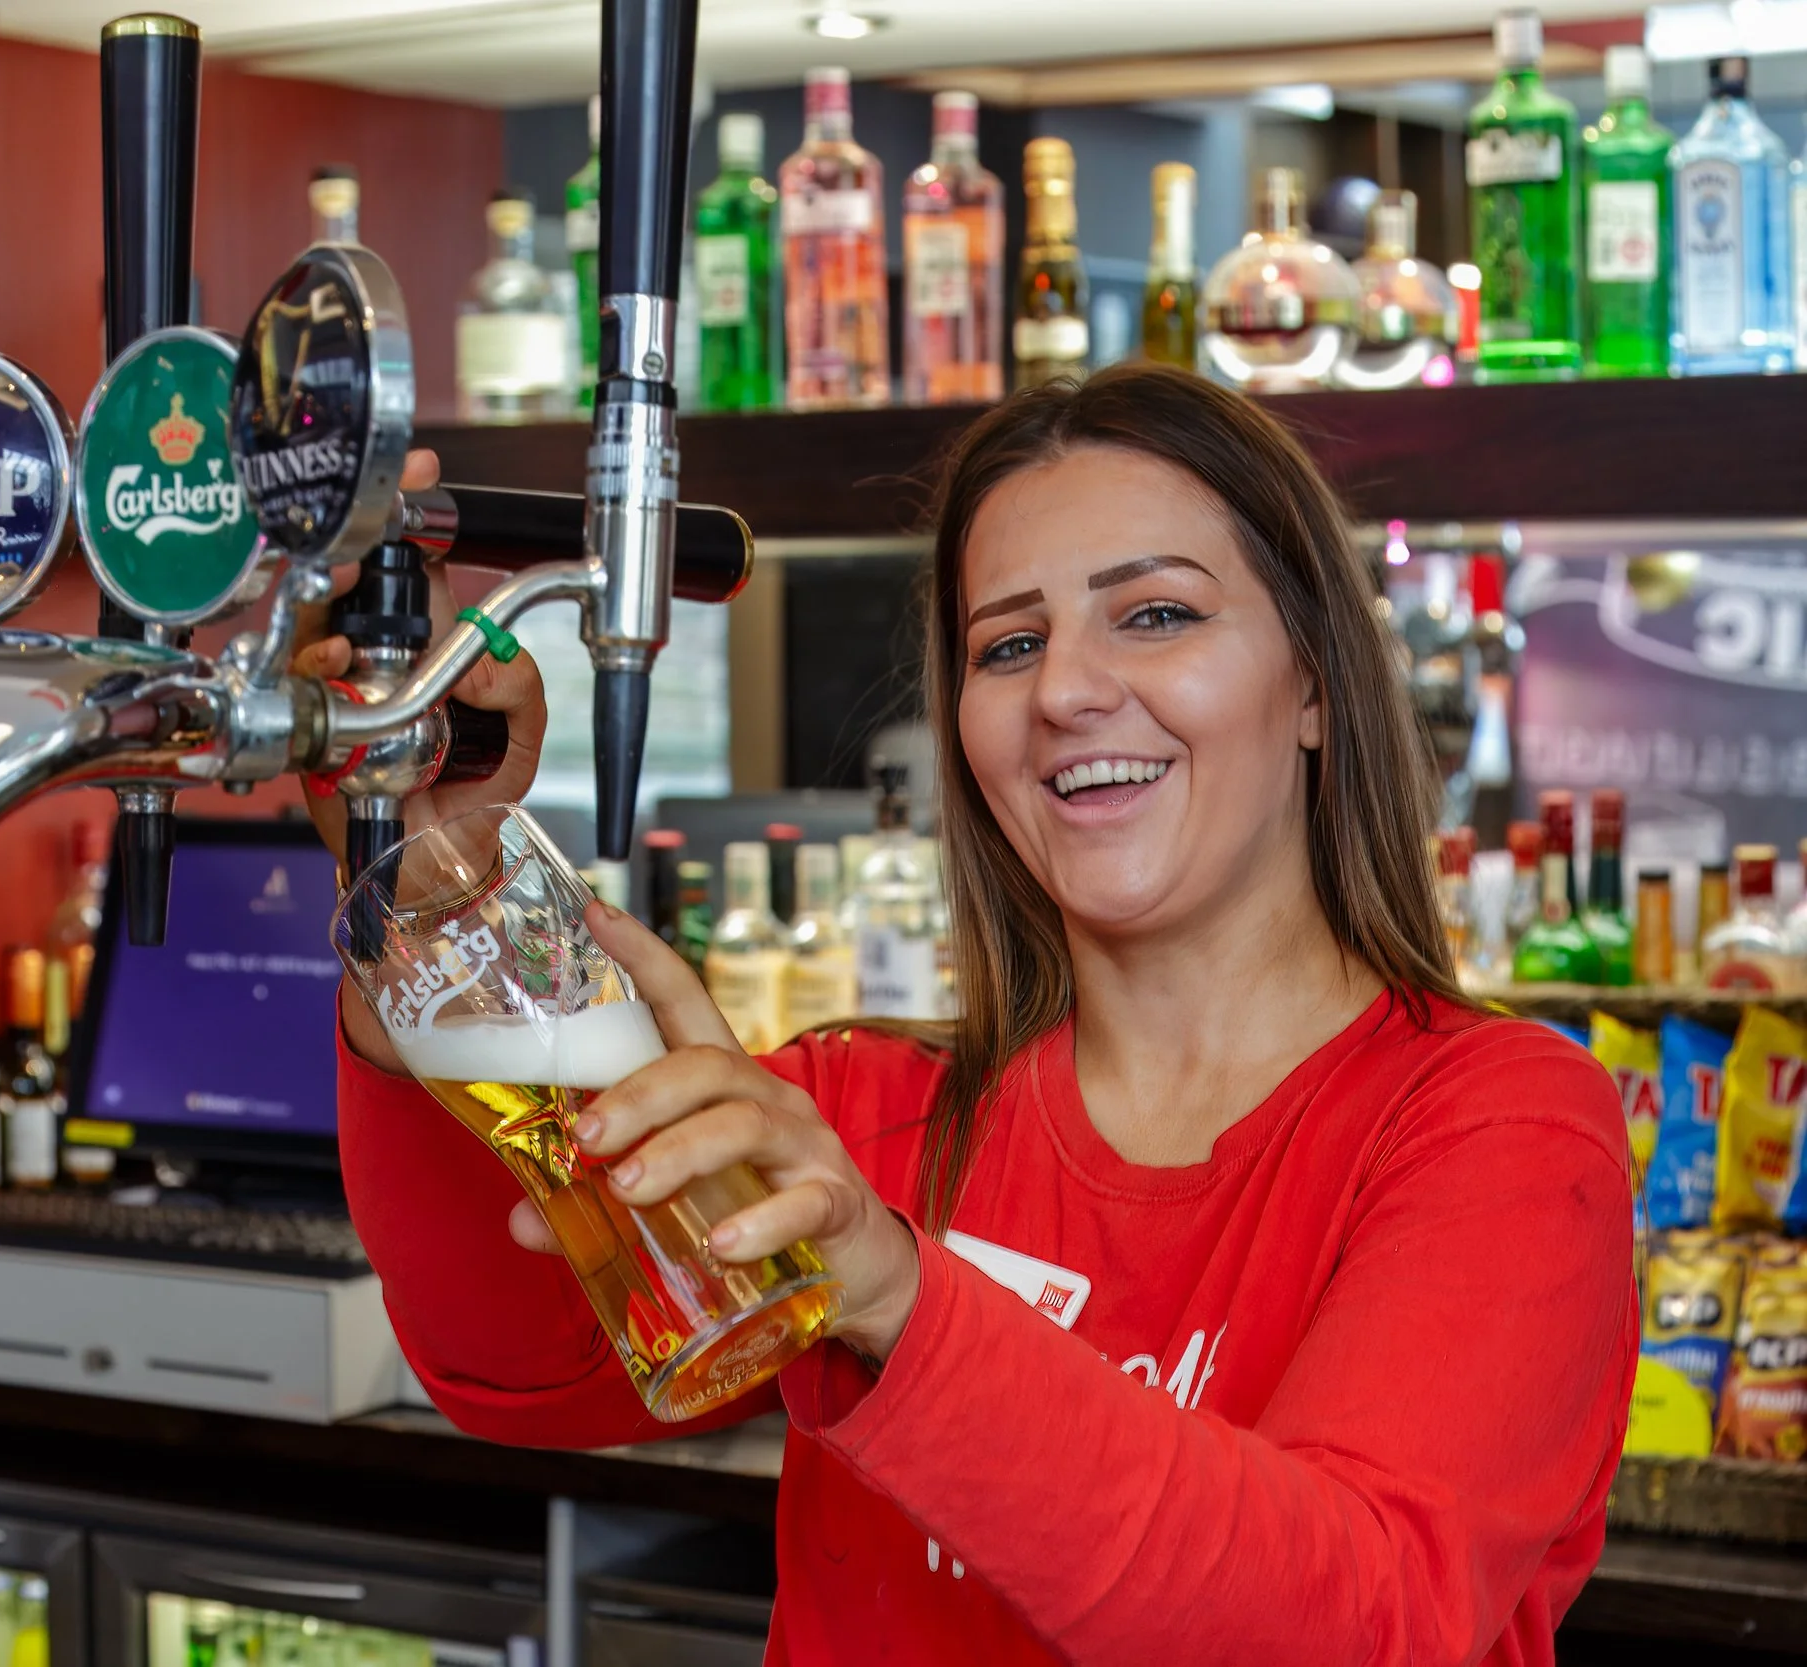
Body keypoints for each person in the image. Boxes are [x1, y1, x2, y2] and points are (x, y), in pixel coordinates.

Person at [295, 365, 1634, 1666]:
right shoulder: (871, 1118)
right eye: (1009, 643)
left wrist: (899, 1295)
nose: (1064, 691)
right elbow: (517, 1365)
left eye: (1156, 614)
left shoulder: (1497, 1129)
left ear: (1318, 685)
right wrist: (419, 906)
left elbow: (1352, 1624)